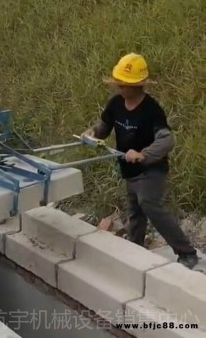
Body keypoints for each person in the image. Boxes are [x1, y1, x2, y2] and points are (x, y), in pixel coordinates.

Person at [82, 53, 198, 269]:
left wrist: (143, 154)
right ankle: (135, 248)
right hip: (129, 169)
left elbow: (167, 140)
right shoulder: (116, 104)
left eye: (124, 85)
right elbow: (104, 127)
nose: (120, 88)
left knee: (149, 204)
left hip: (151, 170)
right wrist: (92, 133)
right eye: (119, 84)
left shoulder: (151, 110)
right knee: (135, 210)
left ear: (137, 86)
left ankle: (186, 252)